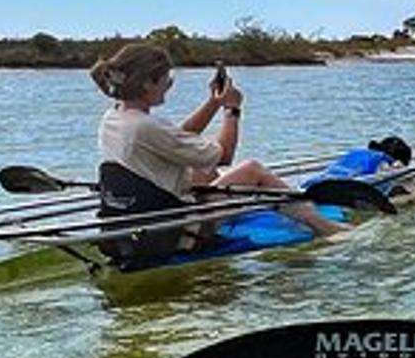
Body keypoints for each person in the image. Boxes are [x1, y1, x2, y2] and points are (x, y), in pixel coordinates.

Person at [87, 43, 342, 236]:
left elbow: (175, 137)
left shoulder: (115, 117)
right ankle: (326, 228)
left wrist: (214, 102)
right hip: (176, 226)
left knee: (202, 171)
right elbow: (225, 155)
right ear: (147, 84)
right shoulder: (145, 126)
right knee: (252, 169)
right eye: (168, 79)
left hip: (144, 213)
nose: (170, 85)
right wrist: (232, 110)